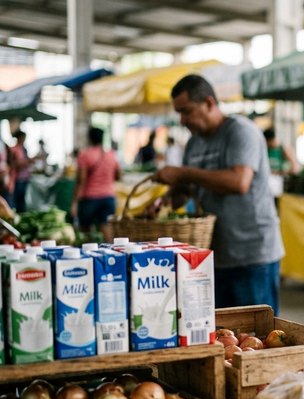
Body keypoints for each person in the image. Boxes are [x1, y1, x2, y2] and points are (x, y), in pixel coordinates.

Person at [153, 74, 284, 312]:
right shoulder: (194, 143)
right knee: (223, 334)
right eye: (179, 113)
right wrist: (169, 197)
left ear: (209, 103)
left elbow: (238, 182)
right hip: (213, 256)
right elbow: (188, 191)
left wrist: (183, 174)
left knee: (258, 338)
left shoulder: (241, 132)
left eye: (187, 111)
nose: (182, 120)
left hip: (252, 257)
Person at [71, 126, 121, 238]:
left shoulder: (84, 155)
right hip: (109, 197)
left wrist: (74, 202)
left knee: (85, 230)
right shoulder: (111, 155)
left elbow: (81, 180)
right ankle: (112, 253)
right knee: (106, 228)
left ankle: (88, 254)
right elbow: (118, 176)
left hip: (90, 199)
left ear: (89, 138)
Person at [9, 130, 31, 212]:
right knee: (16, 200)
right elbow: (15, 164)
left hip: (25, 177)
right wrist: (28, 161)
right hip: (17, 178)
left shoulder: (24, 149)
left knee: (22, 200)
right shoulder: (14, 150)